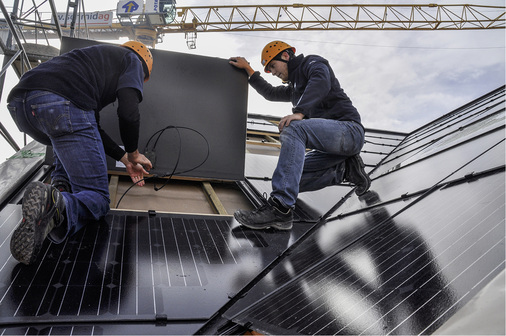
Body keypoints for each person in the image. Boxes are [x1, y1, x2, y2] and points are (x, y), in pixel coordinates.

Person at [7, 41, 154, 265]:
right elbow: (128, 112)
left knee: (64, 136)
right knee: (98, 198)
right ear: (144, 73)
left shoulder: (86, 65)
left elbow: (90, 129)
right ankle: (54, 205)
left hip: (22, 107)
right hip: (62, 104)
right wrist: (133, 153)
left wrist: (124, 159)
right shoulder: (132, 59)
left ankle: (58, 192)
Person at [229, 40, 371, 231]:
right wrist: (248, 69)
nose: (273, 72)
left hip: (349, 131)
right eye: (269, 69)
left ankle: (280, 210)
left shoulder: (312, 64)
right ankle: (347, 170)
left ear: (286, 56)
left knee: (294, 126)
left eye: (273, 65)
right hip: (333, 149)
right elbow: (270, 92)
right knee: (291, 178)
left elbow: (320, 81)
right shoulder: (294, 89)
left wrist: (300, 112)